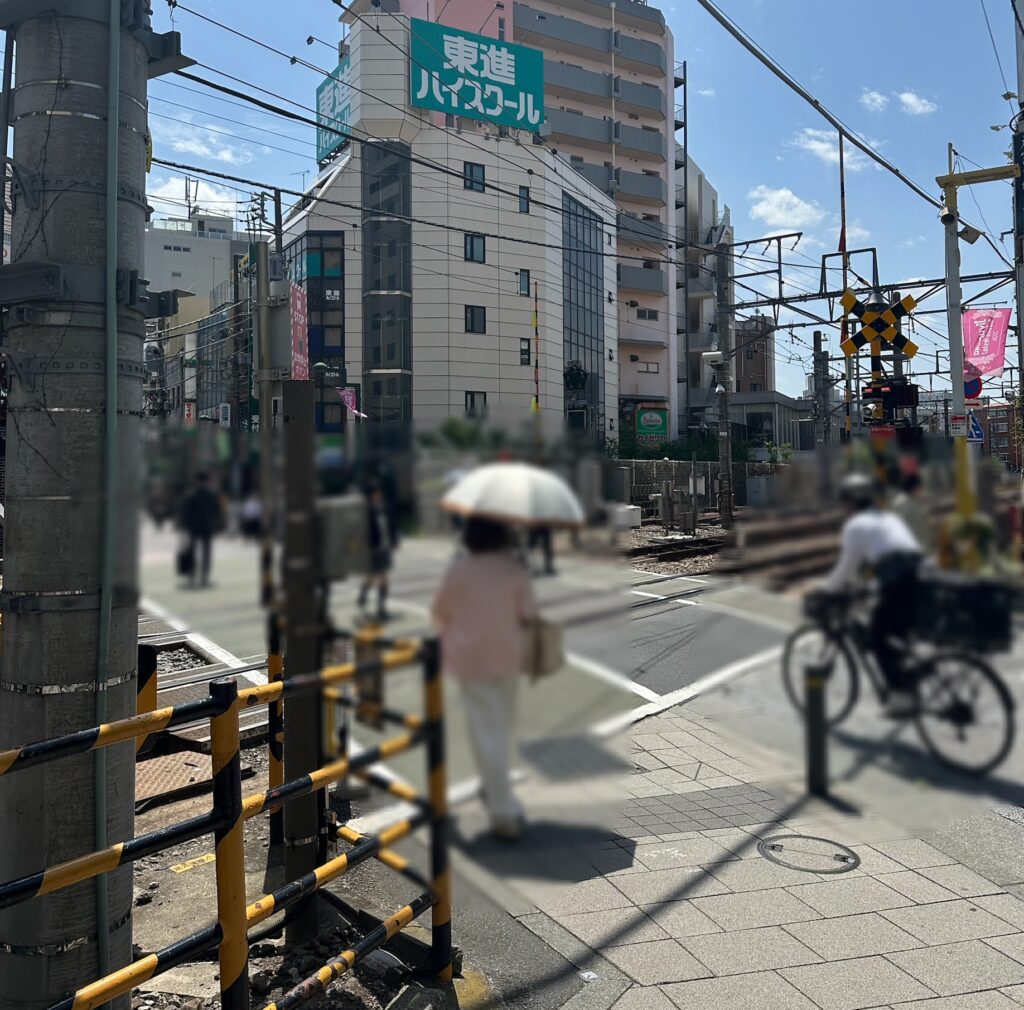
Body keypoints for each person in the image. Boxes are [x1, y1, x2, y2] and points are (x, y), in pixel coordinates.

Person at [431, 518, 537, 841]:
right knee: (500, 730)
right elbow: (528, 615)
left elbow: (440, 612)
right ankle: (498, 797)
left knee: (483, 732)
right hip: (507, 657)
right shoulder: (513, 569)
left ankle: (500, 806)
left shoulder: (460, 569)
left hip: (470, 660)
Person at [821, 472, 923, 717]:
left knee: (878, 636)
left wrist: (827, 590)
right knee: (896, 636)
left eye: (844, 502)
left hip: (898, 581)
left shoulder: (855, 526)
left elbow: (846, 568)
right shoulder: (888, 518)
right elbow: (892, 556)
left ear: (850, 503)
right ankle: (908, 684)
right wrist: (872, 586)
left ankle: (901, 698)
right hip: (916, 578)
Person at [358, 483, 398, 622]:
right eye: (376, 493)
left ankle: (381, 608)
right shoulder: (367, 509)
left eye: (379, 492)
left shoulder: (384, 507)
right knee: (371, 577)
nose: (379, 495)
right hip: (372, 548)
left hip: (384, 547)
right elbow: (363, 530)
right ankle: (363, 593)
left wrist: (394, 540)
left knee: (384, 577)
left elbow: (391, 524)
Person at [180, 472, 223, 587]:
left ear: (196, 481)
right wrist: (216, 523)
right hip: (208, 526)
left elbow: (186, 512)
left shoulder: (191, 495)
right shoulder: (212, 494)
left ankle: (192, 575)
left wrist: (185, 526)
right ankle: (205, 576)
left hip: (194, 527)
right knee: (207, 552)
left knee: (192, 551)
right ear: (207, 481)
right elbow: (217, 511)